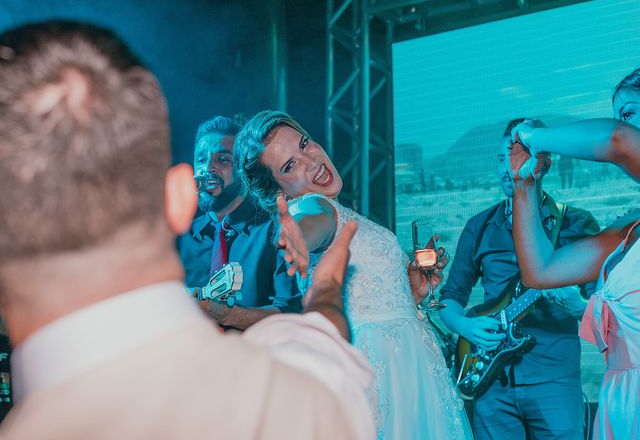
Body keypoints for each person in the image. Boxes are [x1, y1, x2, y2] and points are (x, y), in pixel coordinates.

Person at [0, 20, 374, 439]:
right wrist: (326, 298)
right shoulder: (290, 400)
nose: (209, 169)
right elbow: (323, 368)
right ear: (179, 199)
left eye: (222, 159)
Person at [234, 110, 473, 439]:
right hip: (382, 370)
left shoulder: (339, 209)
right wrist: (297, 236)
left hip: (409, 364)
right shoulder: (315, 207)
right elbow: (311, 224)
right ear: (280, 193)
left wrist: (412, 293)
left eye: (304, 144)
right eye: (289, 166)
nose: (310, 160)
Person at [438, 118, 600, 440]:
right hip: (491, 383)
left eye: (518, 158)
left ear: (544, 163)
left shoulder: (576, 224)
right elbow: (449, 299)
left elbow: (601, 310)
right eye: (501, 159)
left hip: (554, 380)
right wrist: (465, 326)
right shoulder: (479, 226)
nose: (507, 168)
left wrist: (575, 305)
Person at [509, 67, 640, 440]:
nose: (622, 125)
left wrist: (531, 134)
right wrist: (524, 184)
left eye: (629, 113)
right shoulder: (629, 228)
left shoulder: (619, 139)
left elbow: (617, 140)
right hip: (622, 403)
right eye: (620, 117)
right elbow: (541, 270)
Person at [178, 115, 301, 330]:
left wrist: (230, 316)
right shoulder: (179, 238)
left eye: (222, 159)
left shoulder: (275, 231)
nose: (207, 168)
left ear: (243, 169)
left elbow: (292, 315)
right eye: (200, 159)